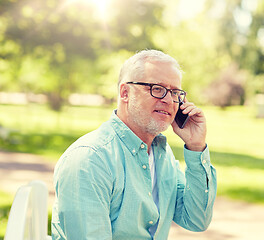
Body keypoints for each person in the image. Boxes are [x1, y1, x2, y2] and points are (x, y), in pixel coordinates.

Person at [51, 49, 217, 240]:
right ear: (125, 93)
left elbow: (196, 219)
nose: (168, 100)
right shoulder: (90, 160)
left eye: (175, 92)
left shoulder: (163, 155)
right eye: (157, 88)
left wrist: (196, 147)